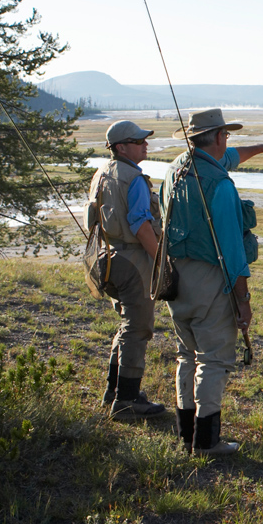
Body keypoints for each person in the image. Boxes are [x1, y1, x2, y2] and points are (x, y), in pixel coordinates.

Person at [162, 108, 263, 455]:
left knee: (186, 355)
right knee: (214, 359)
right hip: (209, 280)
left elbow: (229, 158)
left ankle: (186, 434)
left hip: (175, 277)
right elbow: (233, 252)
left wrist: (262, 148)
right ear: (218, 137)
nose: (228, 142)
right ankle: (206, 442)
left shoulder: (175, 170)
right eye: (226, 136)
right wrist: (242, 301)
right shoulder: (219, 186)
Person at [87, 120, 165, 417]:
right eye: (138, 140)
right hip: (133, 261)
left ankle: (114, 390)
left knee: (126, 325)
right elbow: (141, 226)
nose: (146, 144)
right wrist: (161, 262)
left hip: (106, 258)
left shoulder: (102, 173)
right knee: (138, 328)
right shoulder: (133, 178)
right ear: (121, 147)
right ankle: (127, 400)